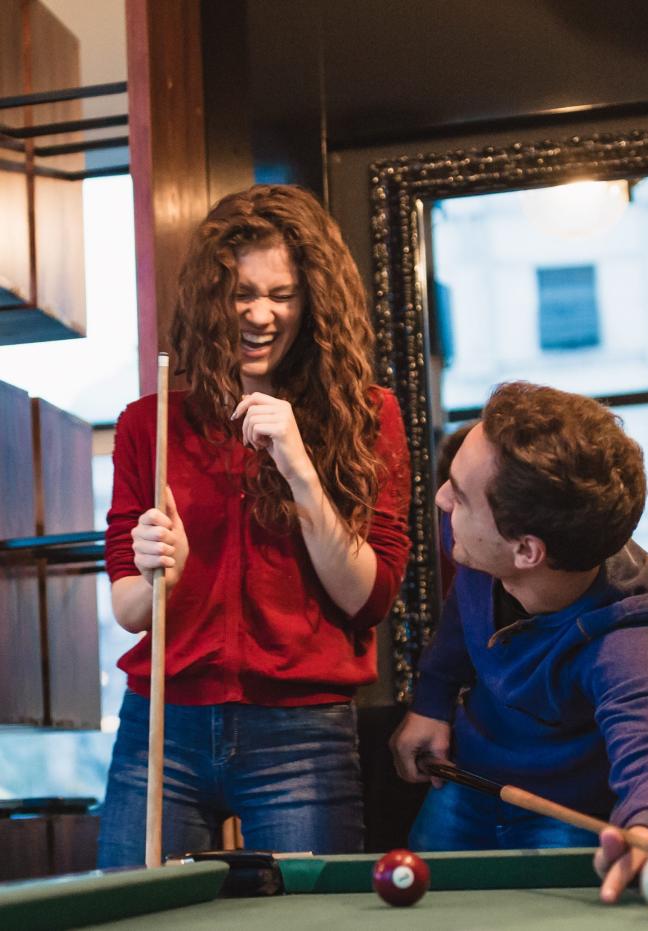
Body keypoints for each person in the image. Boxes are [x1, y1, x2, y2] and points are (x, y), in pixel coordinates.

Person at [98, 184, 412, 867]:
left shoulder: (366, 416)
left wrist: (299, 467)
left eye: (283, 293)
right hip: (162, 726)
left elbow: (369, 596)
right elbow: (127, 608)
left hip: (301, 732)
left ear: (313, 300)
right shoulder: (148, 424)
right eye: (241, 293)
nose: (261, 314)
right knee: (128, 919)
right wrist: (159, 573)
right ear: (211, 299)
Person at [389, 381, 648, 904]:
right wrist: (432, 702)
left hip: (566, 820)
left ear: (526, 551)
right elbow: (464, 616)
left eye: (458, 494)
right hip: (463, 785)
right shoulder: (480, 536)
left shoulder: (636, 635)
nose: (442, 499)